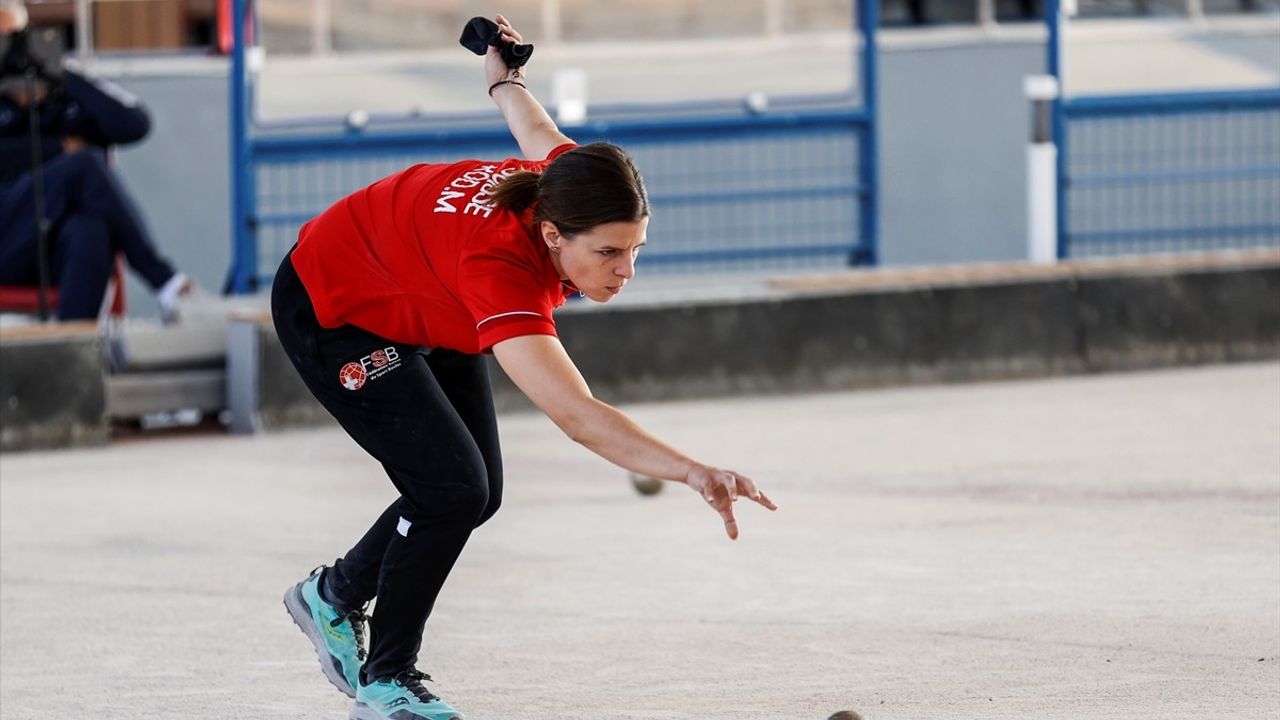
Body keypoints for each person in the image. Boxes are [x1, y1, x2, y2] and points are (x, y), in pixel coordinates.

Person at [274, 14, 777, 720]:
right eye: (607, 253)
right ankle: (386, 682)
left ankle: (331, 594)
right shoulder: (501, 273)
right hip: (332, 307)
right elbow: (577, 415)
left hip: (418, 287)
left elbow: (534, 128)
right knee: (451, 489)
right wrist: (694, 471)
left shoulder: (565, 183)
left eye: (636, 248)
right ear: (552, 235)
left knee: (477, 492)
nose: (625, 269)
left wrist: (503, 76)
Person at [0, 0, 192, 321]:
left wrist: (58, 75)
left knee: (90, 230)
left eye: (16, 38)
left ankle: (76, 354)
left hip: (52, 248)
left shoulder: (64, 89)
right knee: (83, 164)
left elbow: (134, 124)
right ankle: (164, 280)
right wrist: (59, 147)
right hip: (7, 240)